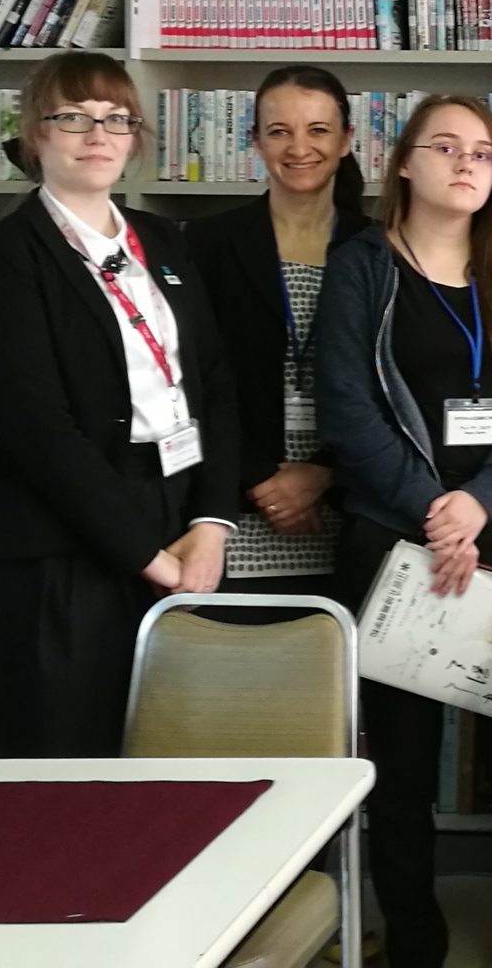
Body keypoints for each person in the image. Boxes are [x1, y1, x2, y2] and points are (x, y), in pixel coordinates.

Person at [316, 94, 492, 968]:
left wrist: (482, 502)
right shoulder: (363, 268)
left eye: (483, 154)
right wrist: (434, 508)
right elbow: (346, 407)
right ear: (403, 163)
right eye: (445, 147)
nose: (466, 164)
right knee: (405, 763)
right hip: (398, 534)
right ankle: (414, 943)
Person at [0, 51, 239, 757]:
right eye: (72, 117)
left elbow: (214, 385)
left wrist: (211, 523)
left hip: (173, 520)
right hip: (59, 552)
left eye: (115, 119)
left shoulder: (163, 241)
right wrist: (155, 560)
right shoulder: (6, 256)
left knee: (163, 762)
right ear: (35, 136)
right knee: (64, 770)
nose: (96, 133)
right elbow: (39, 431)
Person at [184, 66, 371, 595]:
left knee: (337, 671)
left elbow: (396, 384)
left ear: (346, 140)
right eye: (279, 131)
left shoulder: (380, 248)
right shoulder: (205, 244)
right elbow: (189, 379)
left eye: (317, 129)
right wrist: (265, 482)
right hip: (235, 504)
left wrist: (321, 475)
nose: (298, 148)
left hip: (352, 498)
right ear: (256, 142)